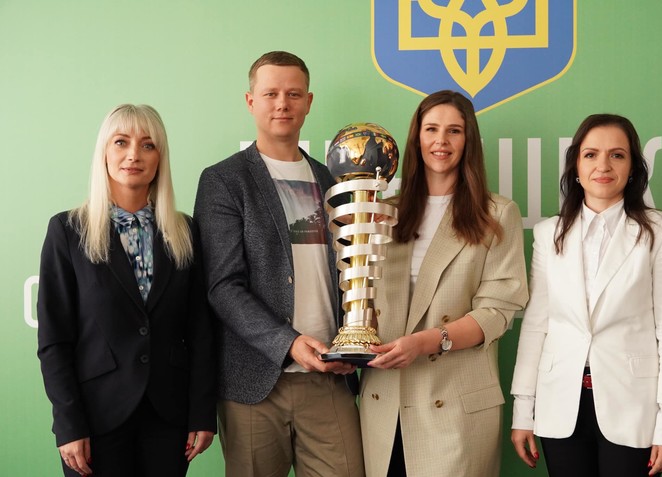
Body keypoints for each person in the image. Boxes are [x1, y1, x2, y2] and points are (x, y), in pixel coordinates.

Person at [193, 51, 364, 477]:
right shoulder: (224, 180)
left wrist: (353, 342)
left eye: (293, 94)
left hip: (330, 378)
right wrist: (288, 342)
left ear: (309, 102)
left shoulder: (335, 181)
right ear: (251, 101)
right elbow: (222, 286)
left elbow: (354, 273)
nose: (282, 104)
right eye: (270, 94)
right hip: (254, 384)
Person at [37, 104, 216, 477]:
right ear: (104, 151)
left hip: (169, 418)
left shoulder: (186, 232)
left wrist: (202, 412)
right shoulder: (67, 231)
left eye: (148, 145)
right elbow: (54, 341)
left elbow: (200, 330)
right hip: (94, 418)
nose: (134, 154)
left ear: (160, 158)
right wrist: (68, 424)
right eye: (121, 142)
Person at [510, 114, 662, 477]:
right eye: (591, 154)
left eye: (617, 155)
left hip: (634, 407)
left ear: (633, 168)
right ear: (576, 166)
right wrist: (522, 411)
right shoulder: (548, 234)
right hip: (560, 406)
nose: (603, 165)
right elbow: (536, 326)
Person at [359, 90, 529, 477]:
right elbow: (362, 300)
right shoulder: (383, 214)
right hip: (384, 402)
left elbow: (497, 311)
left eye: (454, 131)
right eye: (431, 129)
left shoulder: (497, 213)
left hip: (454, 403)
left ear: (468, 141)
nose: (441, 141)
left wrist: (424, 342)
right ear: (416, 137)